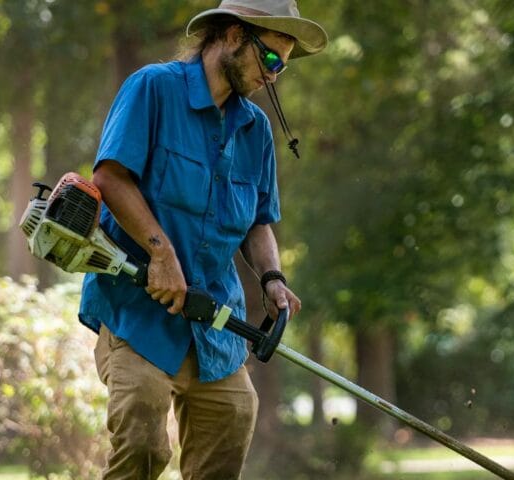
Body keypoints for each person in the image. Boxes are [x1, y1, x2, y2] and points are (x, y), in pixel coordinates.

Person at [77, 1, 327, 478]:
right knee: (143, 443)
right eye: (270, 59)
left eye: (283, 67)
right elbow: (110, 178)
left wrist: (273, 278)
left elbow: (258, 221)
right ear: (233, 35)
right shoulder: (153, 88)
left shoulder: (255, 130)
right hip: (138, 312)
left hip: (214, 324)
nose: (274, 76)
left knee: (234, 416)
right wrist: (160, 253)